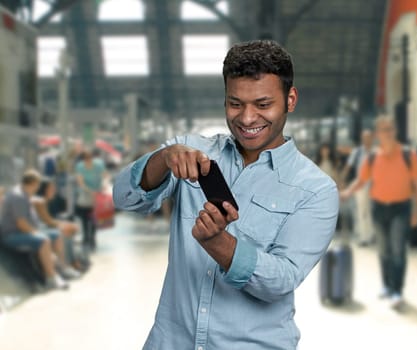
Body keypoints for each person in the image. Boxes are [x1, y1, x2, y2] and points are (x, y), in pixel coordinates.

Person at [113, 40, 338, 349]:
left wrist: (217, 243)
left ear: (290, 99)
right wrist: (163, 159)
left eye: (262, 105)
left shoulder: (316, 189)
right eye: (235, 104)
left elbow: (280, 280)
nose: (246, 119)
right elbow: (125, 198)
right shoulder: (192, 150)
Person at [340, 115, 417, 310]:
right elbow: (360, 181)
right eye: (384, 129)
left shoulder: (409, 155)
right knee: (384, 250)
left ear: (395, 131)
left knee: (398, 250)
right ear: (378, 134)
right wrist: (347, 192)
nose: (388, 133)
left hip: (401, 208)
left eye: (391, 128)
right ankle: (386, 285)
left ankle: (397, 291)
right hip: (378, 207)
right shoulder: (371, 158)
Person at [0, 170, 70, 290]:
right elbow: (21, 224)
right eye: (37, 184)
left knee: (56, 234)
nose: (38, 188)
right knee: (44, 240)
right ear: (33, 183)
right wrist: (37, 233)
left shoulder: (23, 193)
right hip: (12, 235)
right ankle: (51, 278)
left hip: (23, 231)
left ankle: (62, 269)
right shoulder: (18, 196)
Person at [33, 178, 85, 272]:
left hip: (44, 226)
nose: (54, 190)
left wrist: (65, 224)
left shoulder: (46, 201)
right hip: (39, 228)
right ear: (44, 190)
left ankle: (72, 262)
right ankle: (69, 264)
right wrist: (65, 225)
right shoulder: (40, 202)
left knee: (69, 230)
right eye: (51, 188)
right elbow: (48, 221)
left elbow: (50, 220)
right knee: (66, 231)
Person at [341, 129, 374, 246]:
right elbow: (348, 166)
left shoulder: (376, 152)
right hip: (361, 183)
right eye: (365, 138)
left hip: (374, 184)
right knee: (361, 210)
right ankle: (364, 237)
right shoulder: (358, 152)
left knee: (370, 210)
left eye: (369, 137)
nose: (367, 140)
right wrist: (343, 180)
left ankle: (370, 234)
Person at [75, 148, 106, 251]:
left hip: (97, 194)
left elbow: (104, 176)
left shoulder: (98, 165)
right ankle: (85, 238)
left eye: (89, 157)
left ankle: (92, 238)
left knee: (94, 218)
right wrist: (88, 190)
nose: (88, 160)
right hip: (85, 195)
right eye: (85, 158)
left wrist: (102, 186)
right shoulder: (80, 166)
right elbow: (80, 181)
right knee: (84, 218)